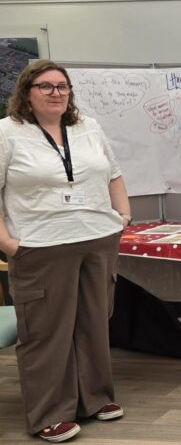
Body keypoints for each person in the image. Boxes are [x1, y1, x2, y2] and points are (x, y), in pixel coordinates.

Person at [0, 60, 131, 442]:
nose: (56, 92)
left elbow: (114, 173)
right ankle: (48, 414)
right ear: (27, 91)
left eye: (62, 86)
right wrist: (7, 243)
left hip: (96, 238)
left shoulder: (87, 127)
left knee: (92, 323)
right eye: (45, 86)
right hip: (41, 245)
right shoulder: (8, 133)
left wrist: (123, 216)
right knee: (46, 331)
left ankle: (95, 398)